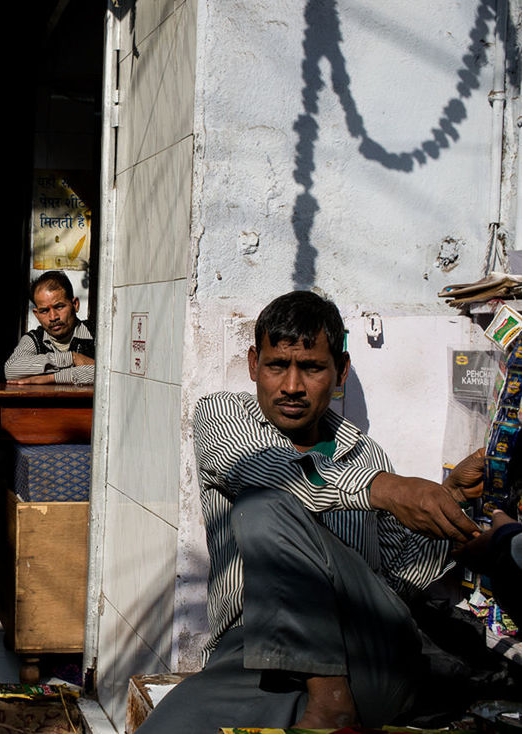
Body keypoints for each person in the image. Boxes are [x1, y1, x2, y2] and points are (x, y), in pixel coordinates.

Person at [138, 290, 485, 732]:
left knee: (265, 510)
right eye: (277, 365)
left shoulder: (367, 456)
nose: (292, 386)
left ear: (340, 370)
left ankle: (332, 700)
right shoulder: (223, 417)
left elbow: (396, 584)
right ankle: (322, 698)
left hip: (367, 657)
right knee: (167, 728)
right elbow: (265, 471)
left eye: (313, 368)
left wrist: (450, 502)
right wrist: (384, 490)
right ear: (253, 365)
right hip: (255, 654)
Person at [4, 270, 95, 385]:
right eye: (44, 311)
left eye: (59, 307)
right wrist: (71, 358)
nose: (53, 317)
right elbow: (11, 369)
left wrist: (50, 378)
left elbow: (109, 373)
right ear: (36, 314)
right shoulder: (34, 339)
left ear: (75, 305)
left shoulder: (97, 334)